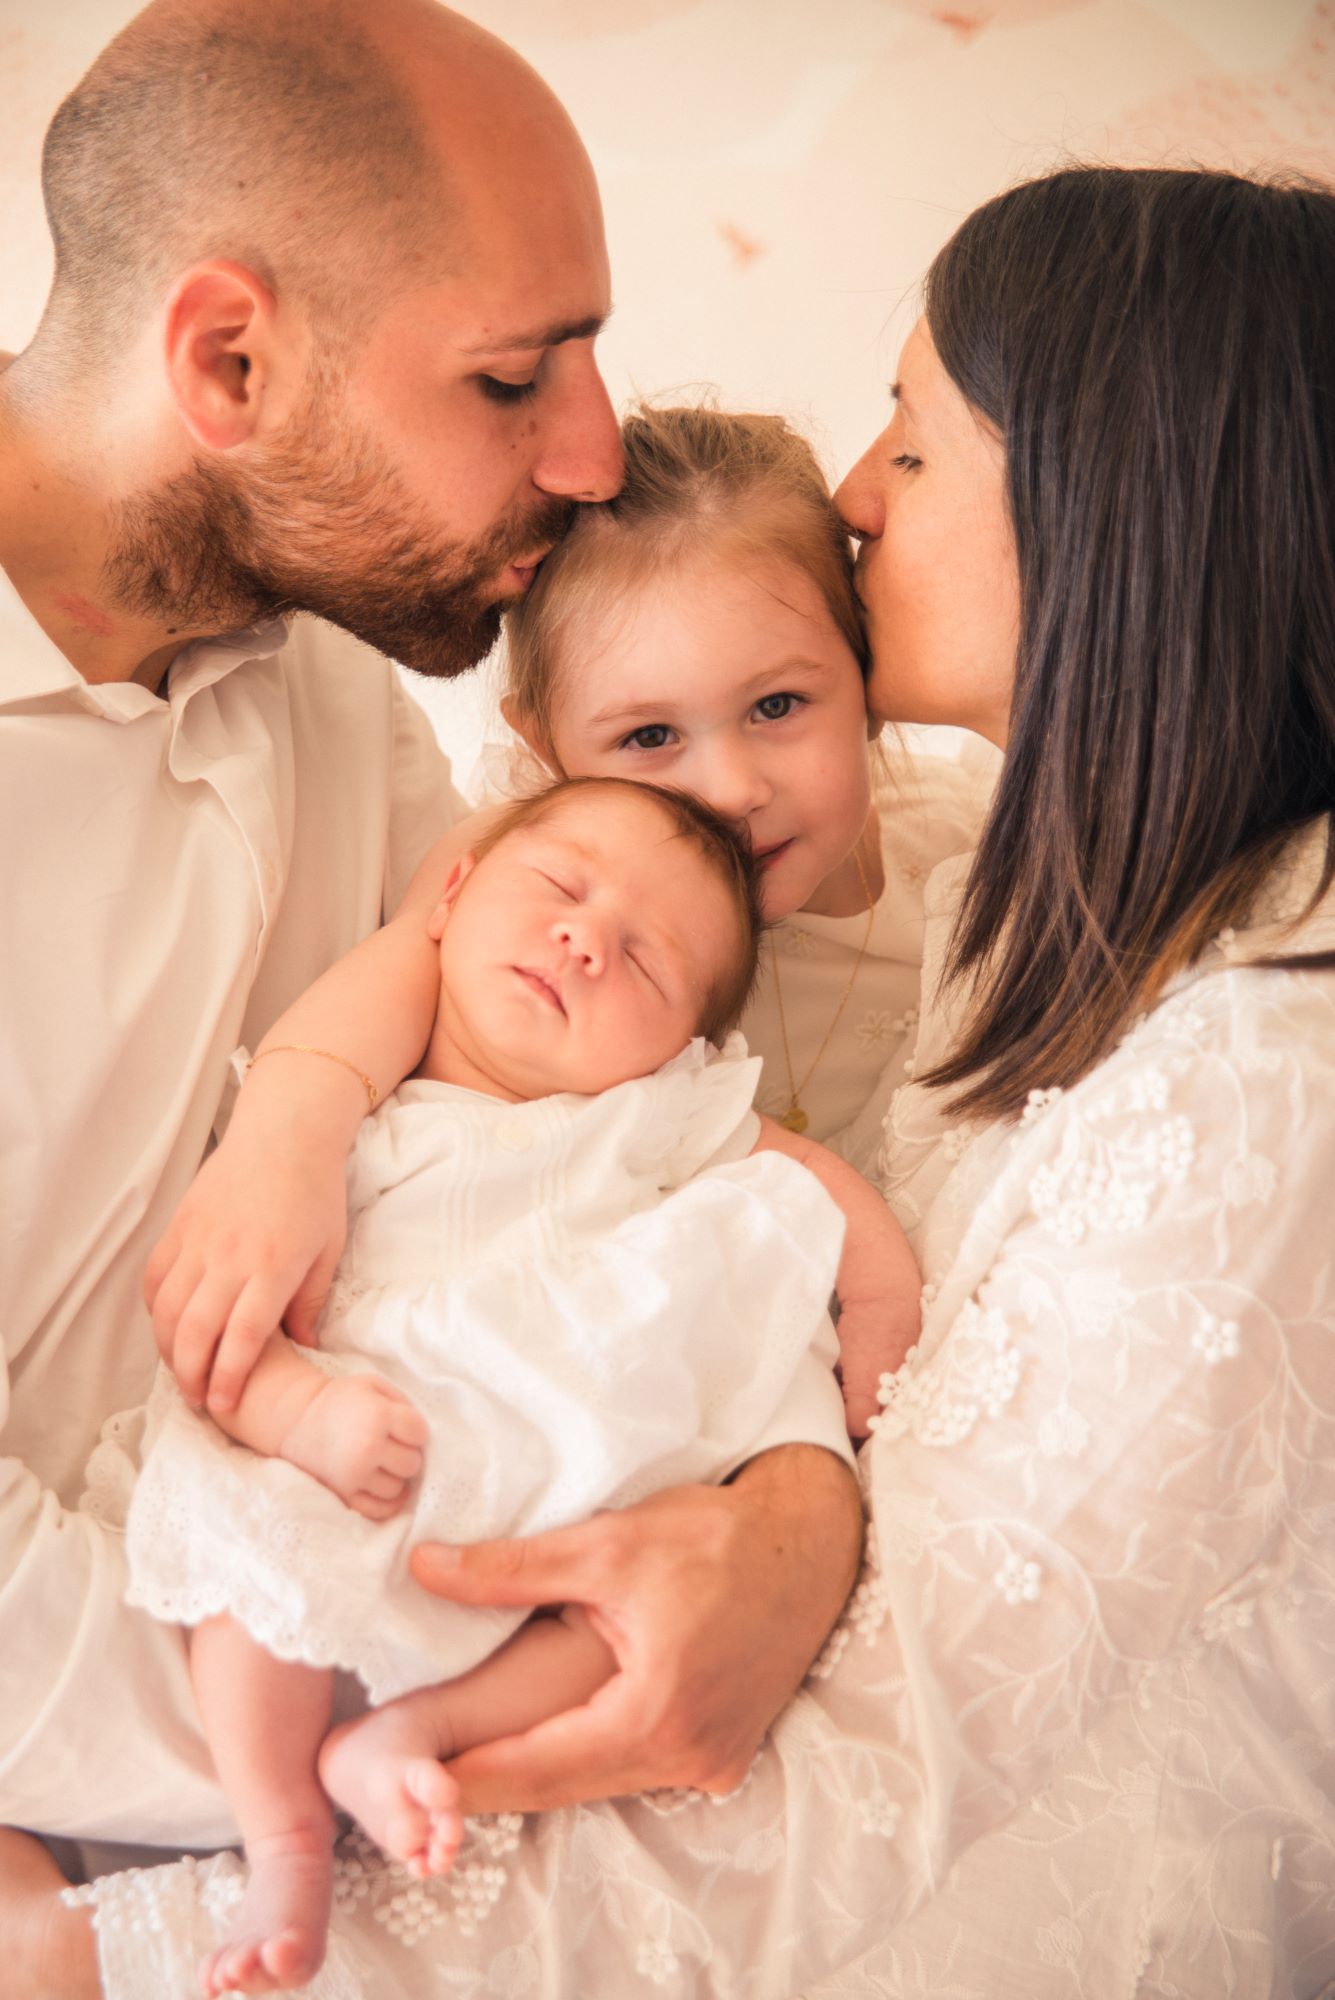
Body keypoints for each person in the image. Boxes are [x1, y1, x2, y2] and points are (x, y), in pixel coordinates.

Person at [68, 164, 1335, 1999]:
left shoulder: (1267, 1075)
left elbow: (916, 1722)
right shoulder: (1033, 886)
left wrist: (118, 1960)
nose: (851, 497)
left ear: (1115, 498)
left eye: (912, 440)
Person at [0, 3, 864, 1994]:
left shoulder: (323, 689)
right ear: (228, 357)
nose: (589, 453)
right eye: (511, 374)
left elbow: (568, 1173)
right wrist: (461, 1716)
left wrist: (789, 1524)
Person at [126, 774, 916, 1997]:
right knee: (244, 1560)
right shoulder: (350, 1121)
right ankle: (280, 1831)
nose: (587, 940)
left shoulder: (653, 1115)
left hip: (548, 1466)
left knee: (631, 1621)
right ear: (451, 890)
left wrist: (881, 1300)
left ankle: (418, 1734)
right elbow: (215, 1352)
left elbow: (811, 1181)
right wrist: (306, 1414)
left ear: (686, 1050)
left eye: (647, 964)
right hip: (345, 1451)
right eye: (559, 888)